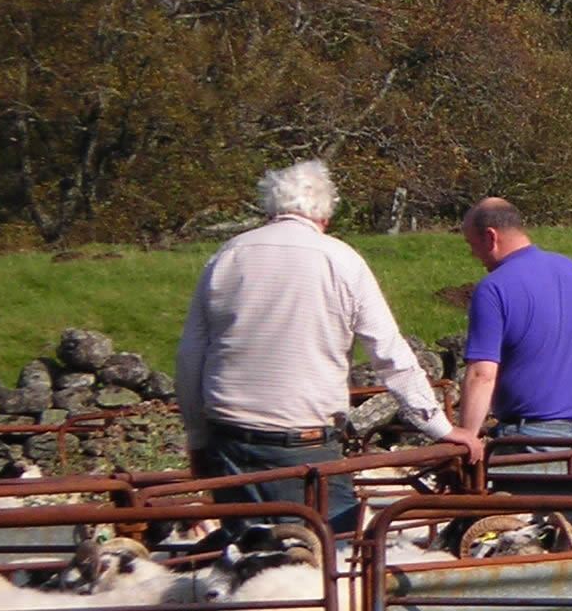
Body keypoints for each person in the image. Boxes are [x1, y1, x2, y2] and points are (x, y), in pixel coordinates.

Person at [175, 159, 466, 530]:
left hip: (229, 441)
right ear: (325, 215)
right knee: (331, 561)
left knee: (245, 565)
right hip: (304, 445)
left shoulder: (227, 256)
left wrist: (197, 439)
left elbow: (189, 358)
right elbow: (390, 354)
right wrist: (441, 428)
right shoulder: (341, 260)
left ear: (271, 208)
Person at [454, 196, 572, 459]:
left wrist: (466, 440)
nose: (473, 254)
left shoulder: (493, 288)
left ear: (490, 237)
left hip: (529, 438)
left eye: (471, 244)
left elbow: (482, 374)